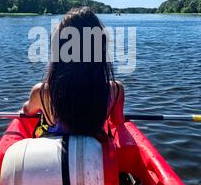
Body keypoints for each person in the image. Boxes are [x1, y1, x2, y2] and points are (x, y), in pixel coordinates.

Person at [22, 7, 124, 137]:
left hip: (55, 154)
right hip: (95, 152)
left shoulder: (41, 91)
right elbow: (117, 121)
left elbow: (27, 111)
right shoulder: (116, 90)